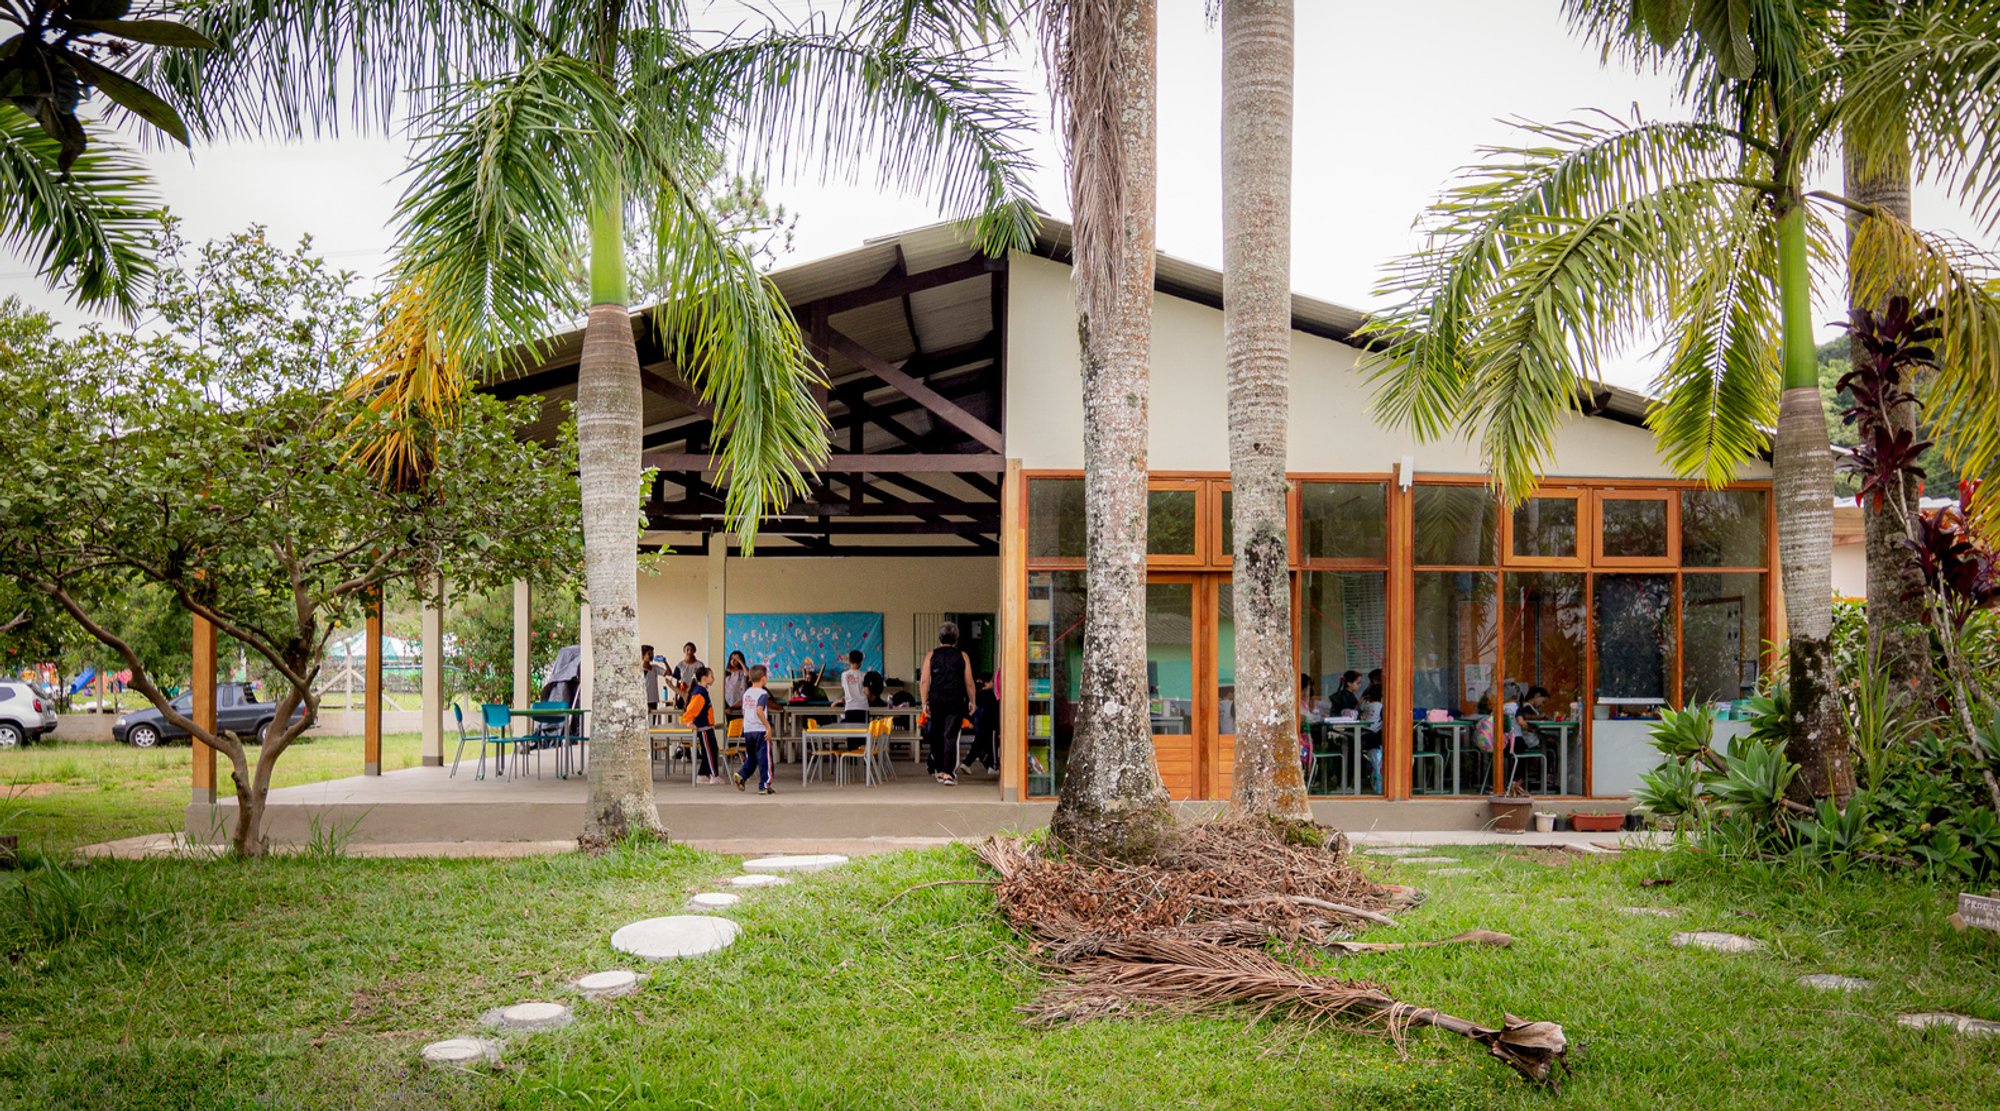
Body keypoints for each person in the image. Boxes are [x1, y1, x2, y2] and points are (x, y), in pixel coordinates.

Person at [920, 622, 975, 785]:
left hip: (936, 699)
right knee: (951, 735)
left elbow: (924, 681)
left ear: (939, 637)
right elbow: (969, 682)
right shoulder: (962, 656)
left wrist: (924, 703)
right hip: (956, 700)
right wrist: (972, 701)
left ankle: (939, 769)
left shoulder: (931, 655)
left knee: (936, 734)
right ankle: (948, 773)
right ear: (956, 638)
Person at [733, 665, 775, 795]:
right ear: (763, 679)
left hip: (748, 730)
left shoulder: (747, 693)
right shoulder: (763, 693)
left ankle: (742, 775)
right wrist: (768, 727)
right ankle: (764, 785)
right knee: (765, 758)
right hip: (760, 729)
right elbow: (759, 711)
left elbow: (744, 711)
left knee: (752, 757)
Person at [681, 666, 721, 784]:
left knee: (711, 750)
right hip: (703, 728)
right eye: (711, 676)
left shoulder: (702, 691)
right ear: (704, 678)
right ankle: (713, 775)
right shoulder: (700, 693)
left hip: (707, 727)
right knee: (710, 751)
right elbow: (691, 710)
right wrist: (689, 721)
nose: (713, 678)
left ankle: (702, 774)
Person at [671, 642, 705, 709]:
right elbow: (677, 683)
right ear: (684, 651)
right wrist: (675, 699)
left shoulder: (700, 665)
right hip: (683, 694)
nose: (689, 652)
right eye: (687, 650)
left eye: (691, 650)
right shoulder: (680, 665)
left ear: (694, 651)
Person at [840, 650, 869, 723]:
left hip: (849, 707)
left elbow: (844, 689)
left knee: (850, 729)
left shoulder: (844, 675)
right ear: (861, 662)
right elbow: (867, 692)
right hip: (862, 707)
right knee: (863, 730)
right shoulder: (864, 675)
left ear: (849, 660)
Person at [640, 645, 668, 715]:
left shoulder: (654, 668)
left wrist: (665, 662)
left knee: (652, 719)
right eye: (649, 654)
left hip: (653, 699)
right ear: (643, 655)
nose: (651, 656)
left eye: (652, 654)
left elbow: (669, 673)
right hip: (641, 699)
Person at [722, 651, 748, 720]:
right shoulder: (727, 672)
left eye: (736, 659)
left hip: (739, 702)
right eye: (732, 658)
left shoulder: (742, 672)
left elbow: (747, 674)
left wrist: (740, 661)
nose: (733, 661)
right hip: (727, 702)